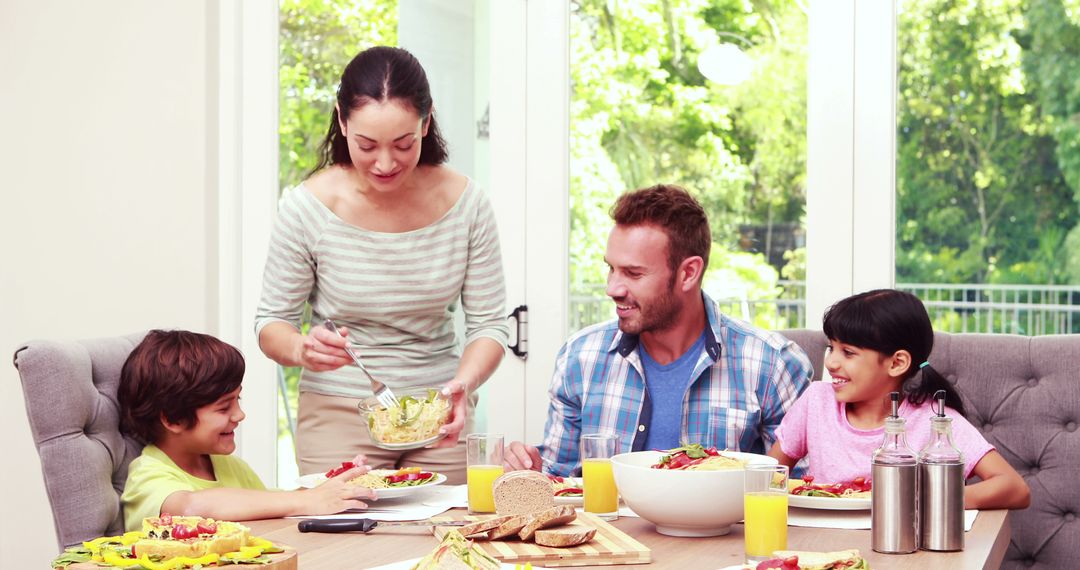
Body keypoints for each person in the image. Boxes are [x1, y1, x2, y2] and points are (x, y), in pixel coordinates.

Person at [254, 46, 508, 484]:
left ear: (426, 124)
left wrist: (461, 387)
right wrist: (302, 349)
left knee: (445, 539)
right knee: (344, 544)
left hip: (440, 418)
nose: (386, 163)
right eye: (367, 145)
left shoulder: (468, 205)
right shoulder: (307, 209)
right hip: (338, 412)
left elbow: (490, 325)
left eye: (404, 144)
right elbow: (271, 322)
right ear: (342, 121)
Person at [504, 184, 814, 476]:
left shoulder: (773, 365)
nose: (612, 288)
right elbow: (560, 479)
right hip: (608, 534)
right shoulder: (580, 358)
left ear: (688, 273)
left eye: (633, 273)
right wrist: (529, 474)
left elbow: (800, 496)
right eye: (611, 268)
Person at [768, 289, 1031, 509]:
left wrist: (926, 500)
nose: (831, 362)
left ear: (897, 363)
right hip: (825, 544)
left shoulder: (933, 420)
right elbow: (770, 478)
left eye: (848, 352)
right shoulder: (816, 401)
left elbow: (1014, 489)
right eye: (831, 347)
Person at [118, 330, 376, 531]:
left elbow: (275, 503)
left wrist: (334, 486)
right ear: (173, 419)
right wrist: (307, 501)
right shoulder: (147, 474)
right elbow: (189, 508)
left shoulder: (228, 465)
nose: (239, 415)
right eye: (223, 408)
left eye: (237, 400)